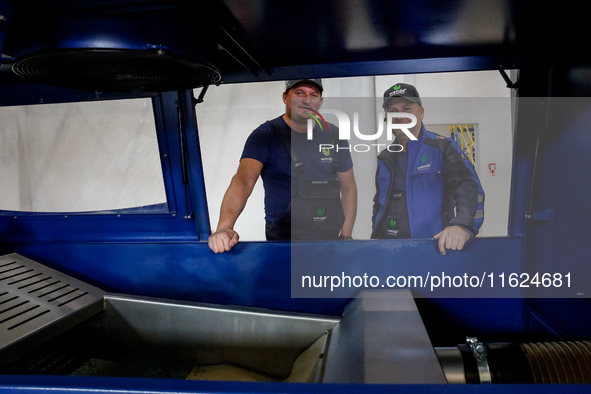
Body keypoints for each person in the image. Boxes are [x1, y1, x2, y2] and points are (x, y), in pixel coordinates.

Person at [209, 79, 357, 253]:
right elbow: (243, 181)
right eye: (299, 93)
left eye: (313, 95)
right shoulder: (265, 135)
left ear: (320, 102)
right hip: (284, 239)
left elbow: (348, 187)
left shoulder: (334, 135)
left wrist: (346, 236)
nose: (306, 100)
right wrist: (225, 227)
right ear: (285, 97)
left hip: (329, 237)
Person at [371, 83, 484, 254]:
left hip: (434, 250)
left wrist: (461, 225)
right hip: (389, 253)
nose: (399, 116)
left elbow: (469, 187)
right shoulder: (385, 158)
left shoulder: (443, 148)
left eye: (406, 108)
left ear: (421, 113)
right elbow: (379, 205)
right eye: (393, 111)